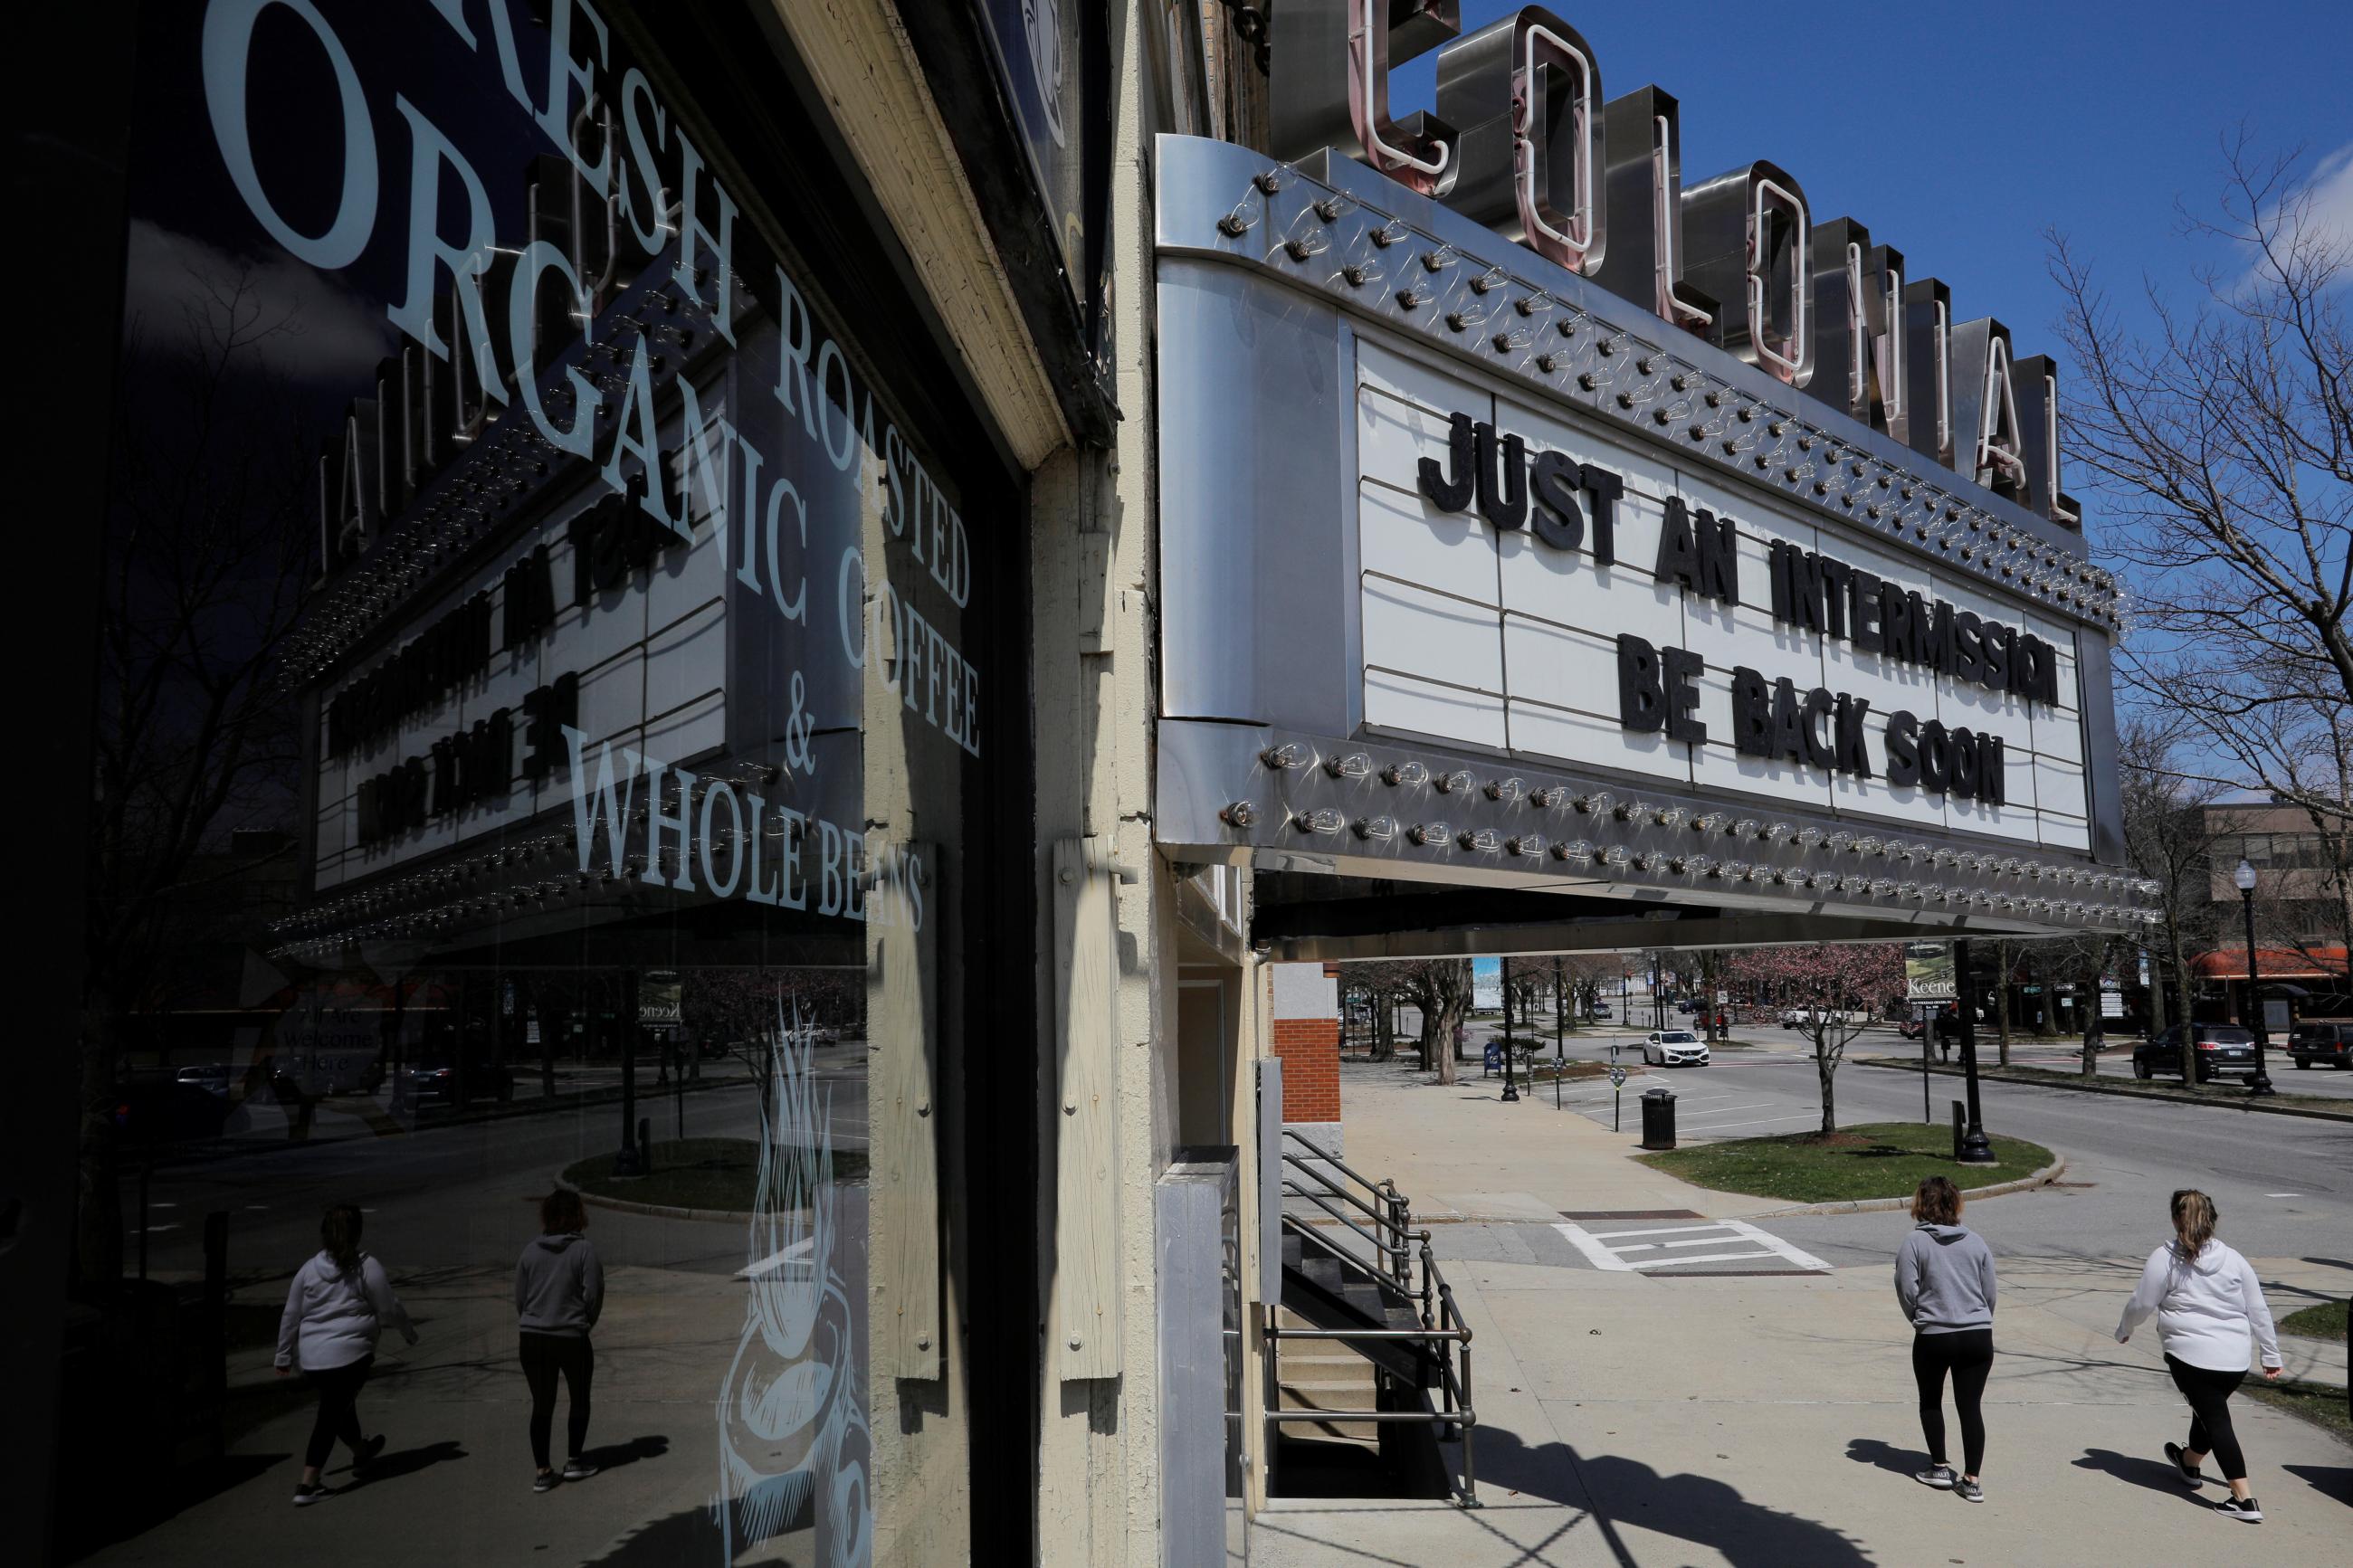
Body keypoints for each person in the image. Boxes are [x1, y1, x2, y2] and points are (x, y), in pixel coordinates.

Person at [2115, 1189, 2282, 1523]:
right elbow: (2258, 1310)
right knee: (2209, 1409)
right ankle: (2189, 1462)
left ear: (2176, 1219)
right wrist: (2270, 1353)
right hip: (2234, 1362)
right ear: (2213, 1220)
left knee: (2216, 1420)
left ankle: (2244, 1499)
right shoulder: (2234, 1259)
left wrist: (2124, 1329)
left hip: (2190, 1358)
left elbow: (2142, 1303)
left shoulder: (2164, 1259)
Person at [275, 1203, 417, 1506]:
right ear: (358, 1233)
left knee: (339, 1404)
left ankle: (362, 1453)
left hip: (313, 1360)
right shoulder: (366, 1267)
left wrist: (283, 1355)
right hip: (352, 1356)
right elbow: (388, 1307)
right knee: (330, 1415)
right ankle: (307, 1485)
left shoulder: (308, 1270)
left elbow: (291, 1314)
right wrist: (408, 1332)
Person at [1893, 1175, 1998, 1503]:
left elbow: (1906, 1287)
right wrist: (1979, 1318)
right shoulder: (1977, 1242)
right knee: (1971, 1407)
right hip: (1977, 1334)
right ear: (1956, 1204)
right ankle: (1971, 1480)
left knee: (1931, 1399)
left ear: (1921, 1204)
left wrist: (1919, 1318)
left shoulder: (1915, 1242)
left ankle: (1939, 1466)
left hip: (1935, 1334)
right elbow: (1990, 1291)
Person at [516, 1188, 607, 1492]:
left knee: (542, 1402)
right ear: (578, 1216)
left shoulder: (530, 1251)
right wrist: (584, 1322)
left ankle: (542, 1470)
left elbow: (521, 1298)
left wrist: (535, 1321)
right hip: (570, 1335)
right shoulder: (584, 1251)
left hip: (532, 1337)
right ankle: (574, 1460)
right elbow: (593, 1294)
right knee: (579, 1397)